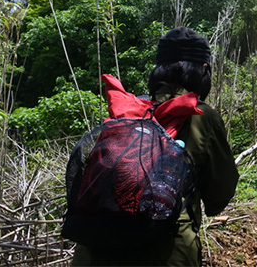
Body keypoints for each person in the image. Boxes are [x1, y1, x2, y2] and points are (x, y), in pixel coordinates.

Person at [72, 27, 239, 266]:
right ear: (204, 70)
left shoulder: (127, 111)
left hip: (92, 252)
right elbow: (220, 193)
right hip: (167, 254)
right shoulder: (202, 115)